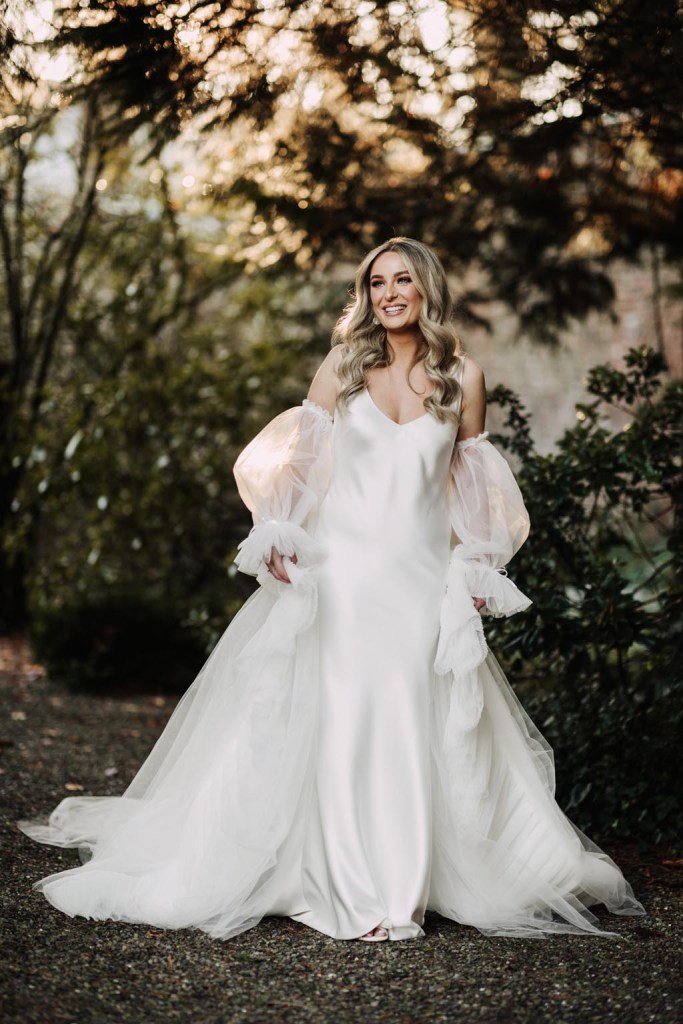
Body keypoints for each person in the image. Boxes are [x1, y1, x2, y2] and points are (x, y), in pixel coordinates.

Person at [19, 237, 645, 943]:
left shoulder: (462, 378)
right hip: (343, 579)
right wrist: (280, 538)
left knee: (407, 719)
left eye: (402, 279)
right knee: (345, 721)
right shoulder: (344, 365)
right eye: (376, 282)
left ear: (427, 288)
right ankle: (354, 889)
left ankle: (404, 883)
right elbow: (295, 467)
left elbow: (473, 492)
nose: (388, 293)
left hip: (416, 582)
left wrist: (476, 569)